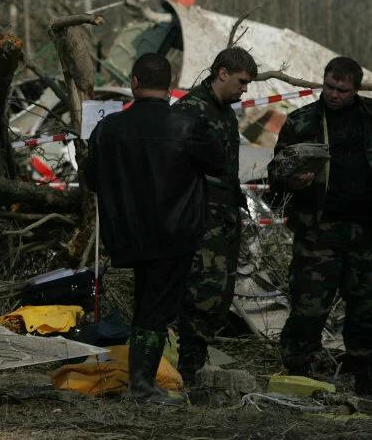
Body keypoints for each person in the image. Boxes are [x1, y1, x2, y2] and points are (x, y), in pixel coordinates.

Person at [267, 56, 372, 399]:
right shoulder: (302, 121)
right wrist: (294, 180)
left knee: (367, 308)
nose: (335, 94)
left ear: (356, 89)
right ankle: (298, 370)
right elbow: (275, 174)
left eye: (343, 90)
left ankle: (368, 374)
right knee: (310, 307)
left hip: (362, 232)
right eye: (330, 87)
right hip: (316, 233)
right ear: (323, 83)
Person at [84, 53, 225, 405]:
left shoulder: (108, 129)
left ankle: (142, 380)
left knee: (147, 305)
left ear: (133, 82)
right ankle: (143, 386)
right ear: (170, 85)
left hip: (128, 234)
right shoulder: (188, 124)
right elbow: (220, 164)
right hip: (174, 233)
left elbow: (90, 179)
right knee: (154, 311)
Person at [174, 47, 257, 387]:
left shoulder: (225, 113)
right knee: (199, 293)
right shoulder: (189, 111)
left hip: (222, 219)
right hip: (198, 221)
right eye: (241, 81)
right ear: (222, 73)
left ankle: (195, 361)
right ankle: (187, 367)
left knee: (217, 295)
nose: (244, 90)